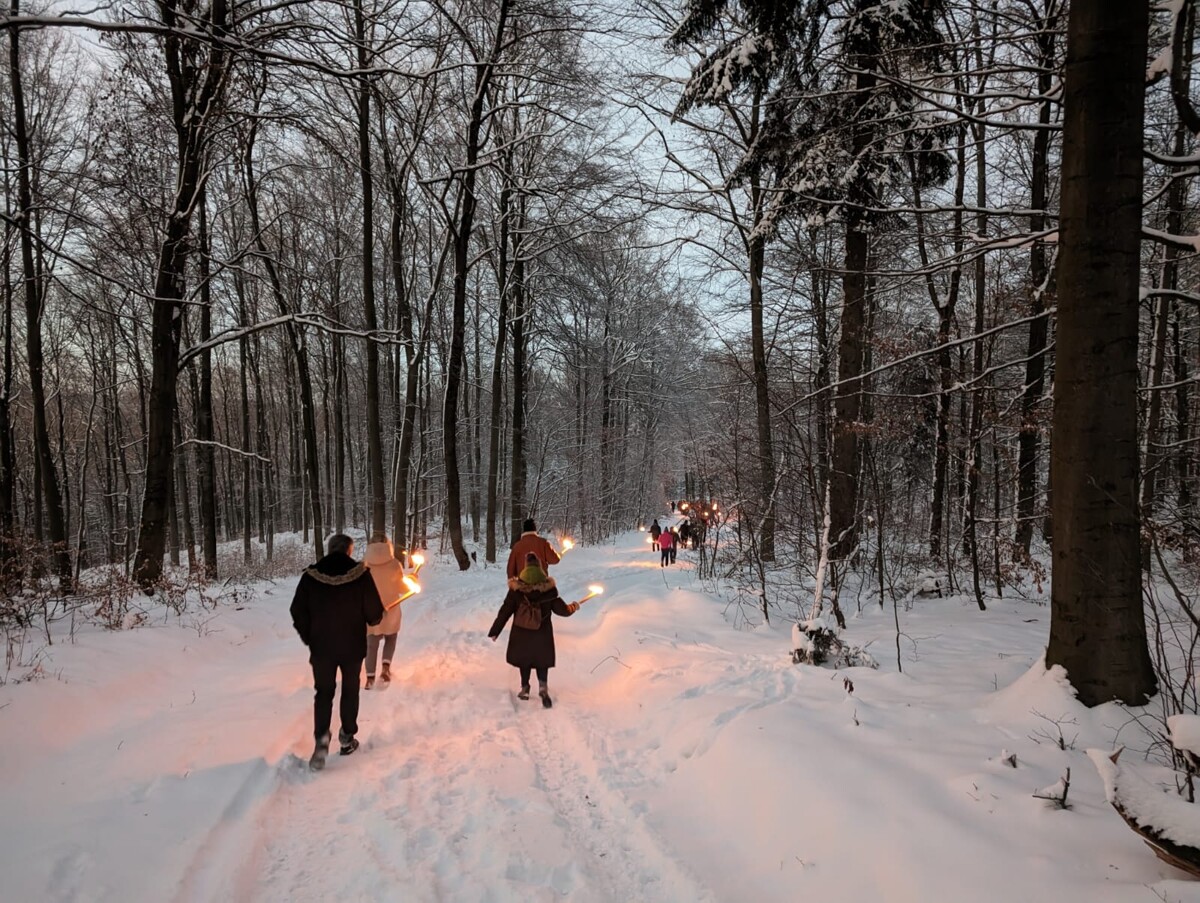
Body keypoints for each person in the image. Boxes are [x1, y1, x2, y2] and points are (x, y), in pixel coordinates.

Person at [289, 533, 384, 770]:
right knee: (350, 690)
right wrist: (373, 618)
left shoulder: (311, 576)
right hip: (352, 646)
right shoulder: (361, 575)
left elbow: (297, 611)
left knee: (324, 692)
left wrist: (310, 637)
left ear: (330, 549)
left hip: (322, 647)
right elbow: (374, 614)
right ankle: (347, 737)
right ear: (349, 550)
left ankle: (321, 739)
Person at [489, 553, 579, 707]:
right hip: (542, 634)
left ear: (525, 567)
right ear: (539, 567)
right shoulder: (548, 590)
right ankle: (543, 687)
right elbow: (562, 610)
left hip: (521, 632)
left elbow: (505, 611)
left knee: (524, 660)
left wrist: (495, 630)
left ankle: (525, 688)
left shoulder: (516, 590)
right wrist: (574, 606)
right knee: (541, 661)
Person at [363, 534, 406, 690]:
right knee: (391, 638)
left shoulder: (363, 565)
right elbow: (401, 588)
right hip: (391, 609)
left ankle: (369, 678)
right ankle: (386, 668)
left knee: (371, 644)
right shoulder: (394, 564)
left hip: (370, 611)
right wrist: (412, 580)